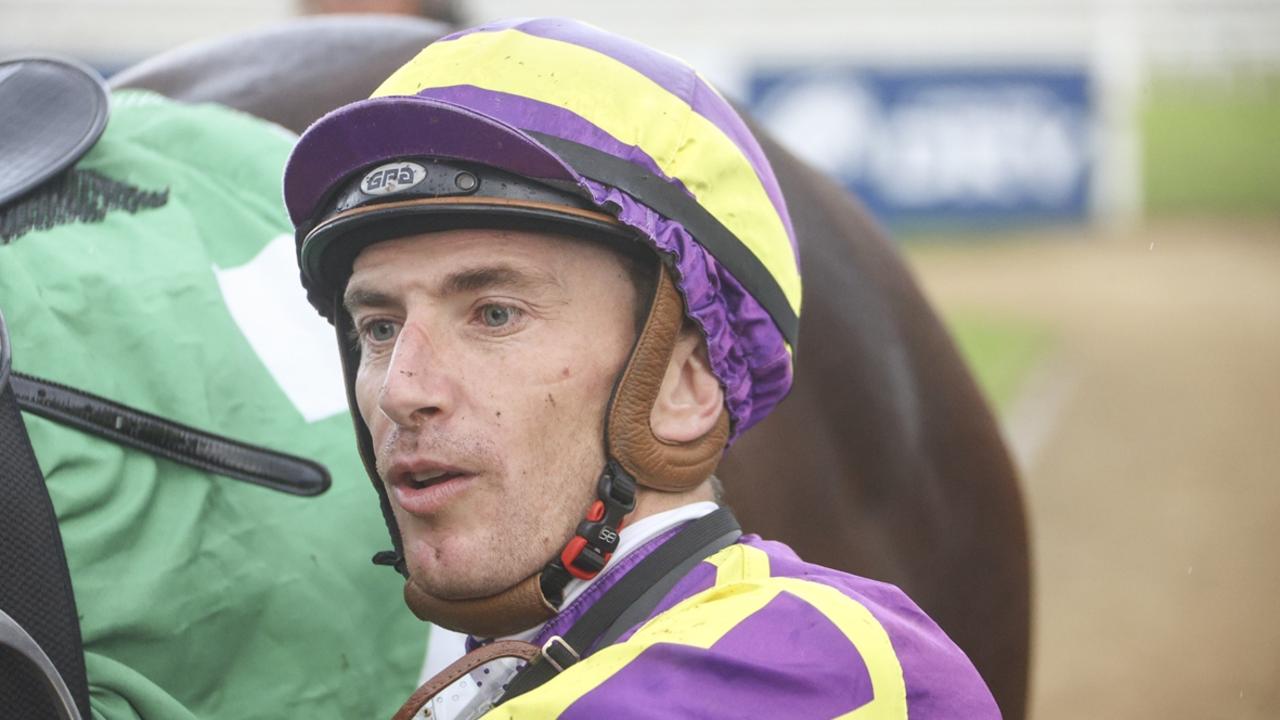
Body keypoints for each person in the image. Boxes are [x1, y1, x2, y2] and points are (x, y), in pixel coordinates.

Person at [283, 17, 1000, 718]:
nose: (404, 390)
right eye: (379, 327)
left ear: (684, 386)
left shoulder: (824, 667)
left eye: (495, 314)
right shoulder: (510, 670)